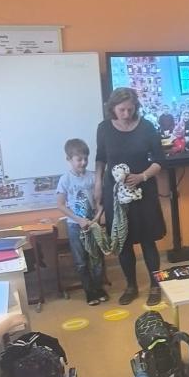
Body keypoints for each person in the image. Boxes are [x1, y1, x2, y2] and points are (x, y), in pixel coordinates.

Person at [95, 88, 166, 306]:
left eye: (130, 109)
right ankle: (131, 286)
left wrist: (142, 176)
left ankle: (155, 285)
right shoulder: (104, 128)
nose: (126, 114)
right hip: (115, 195)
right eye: (122, 110)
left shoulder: (147, 127)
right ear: (113, 109)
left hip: (143, 192)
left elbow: (160, 160)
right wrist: (97, 184)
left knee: (147, 241)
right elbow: (100, 158)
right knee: (123, 241)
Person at [57, 139, 107, 306]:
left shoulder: (93, 177)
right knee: (81, 261)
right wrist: (78, 220)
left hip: (93, 225)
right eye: (79, 159)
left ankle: (99, 288)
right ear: (69, 159)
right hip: (75, 226)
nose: (83, 162)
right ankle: (89, 292)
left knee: (97, 259)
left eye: (86, 158)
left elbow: (101, 202)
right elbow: (60, 204)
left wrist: (97, 217)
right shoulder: (65, 180)